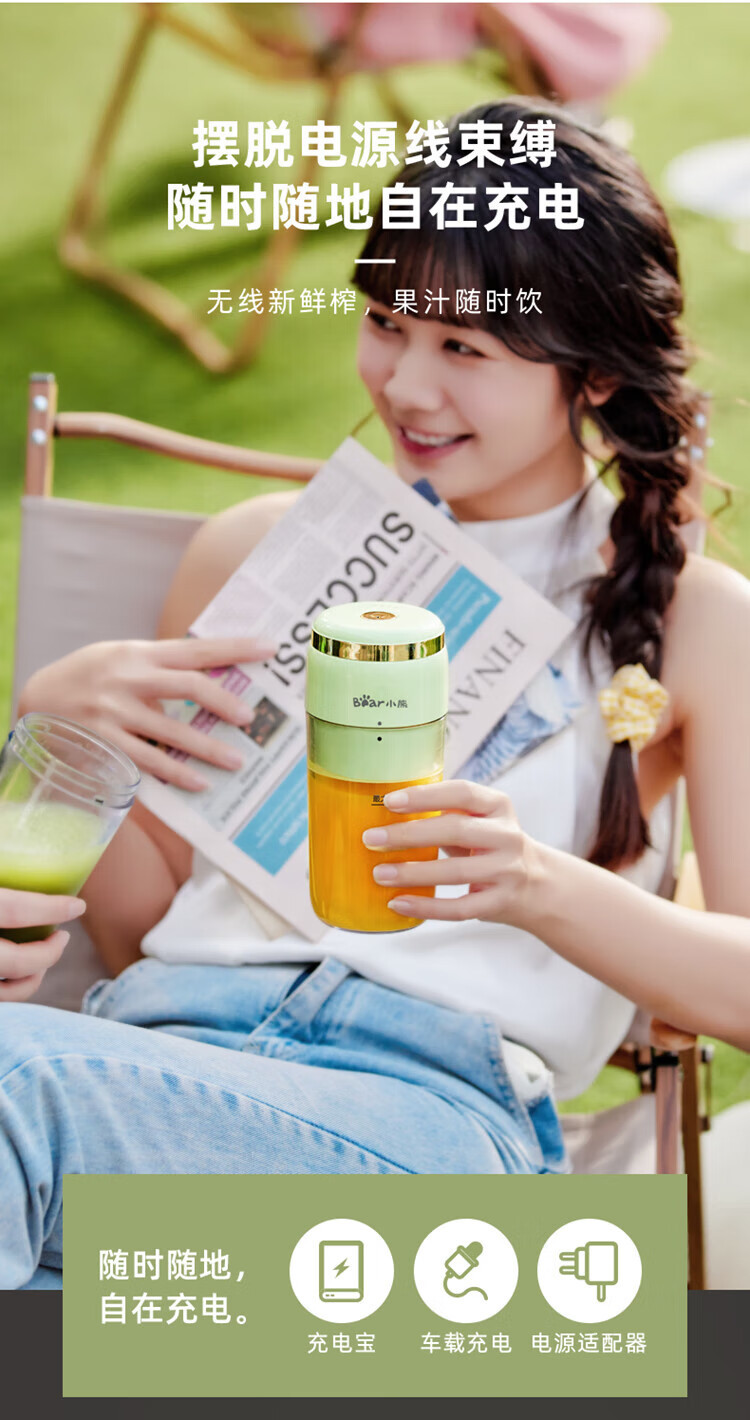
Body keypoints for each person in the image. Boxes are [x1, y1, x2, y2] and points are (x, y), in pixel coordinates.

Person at [2, 98, 750, 1291]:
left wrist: (533, 884)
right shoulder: (254, 552)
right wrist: (62, 728)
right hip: (159, 1072)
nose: (405, 383)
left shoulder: (693, 620)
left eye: (465, 349)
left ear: (597, 369)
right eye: (387, 323)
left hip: (426, 1123)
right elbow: (143, 927)